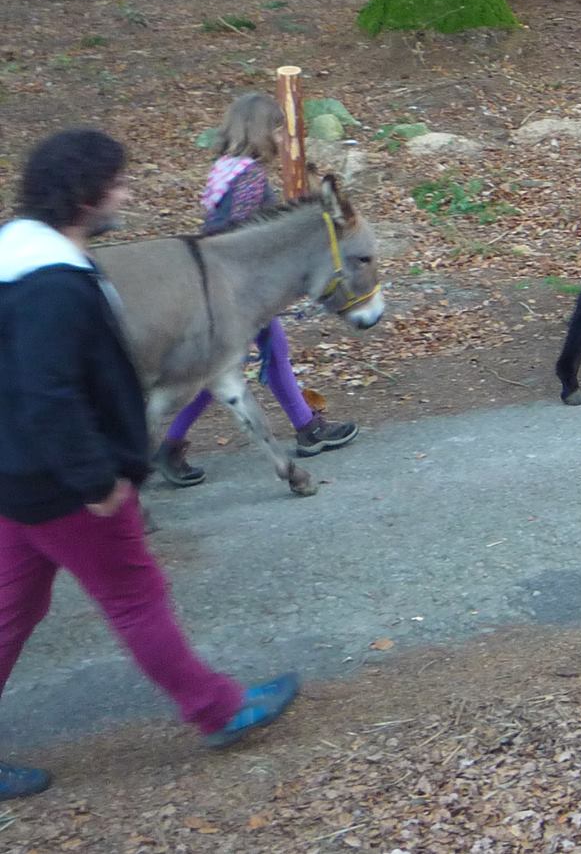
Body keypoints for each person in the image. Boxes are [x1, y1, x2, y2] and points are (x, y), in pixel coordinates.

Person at [0, 129, 299, 797]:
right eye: (117, 183)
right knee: (136, 598)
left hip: (18, 475)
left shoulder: (14, 260)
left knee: (10, 610)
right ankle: (218, 709)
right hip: (67, 484)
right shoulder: (52, 282)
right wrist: (96, 478)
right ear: (84, 194)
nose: (127, 193)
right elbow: (51, 392)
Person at [154, 93, 357, 488]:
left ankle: (306, 427)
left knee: (270, 354)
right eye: (279, 127)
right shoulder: (249, 179)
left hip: (227, 284)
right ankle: (169, 443)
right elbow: (241, 236)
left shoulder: (226, 169)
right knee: (218, 371)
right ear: (262, 131)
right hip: (239, 289)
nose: (283, 135)